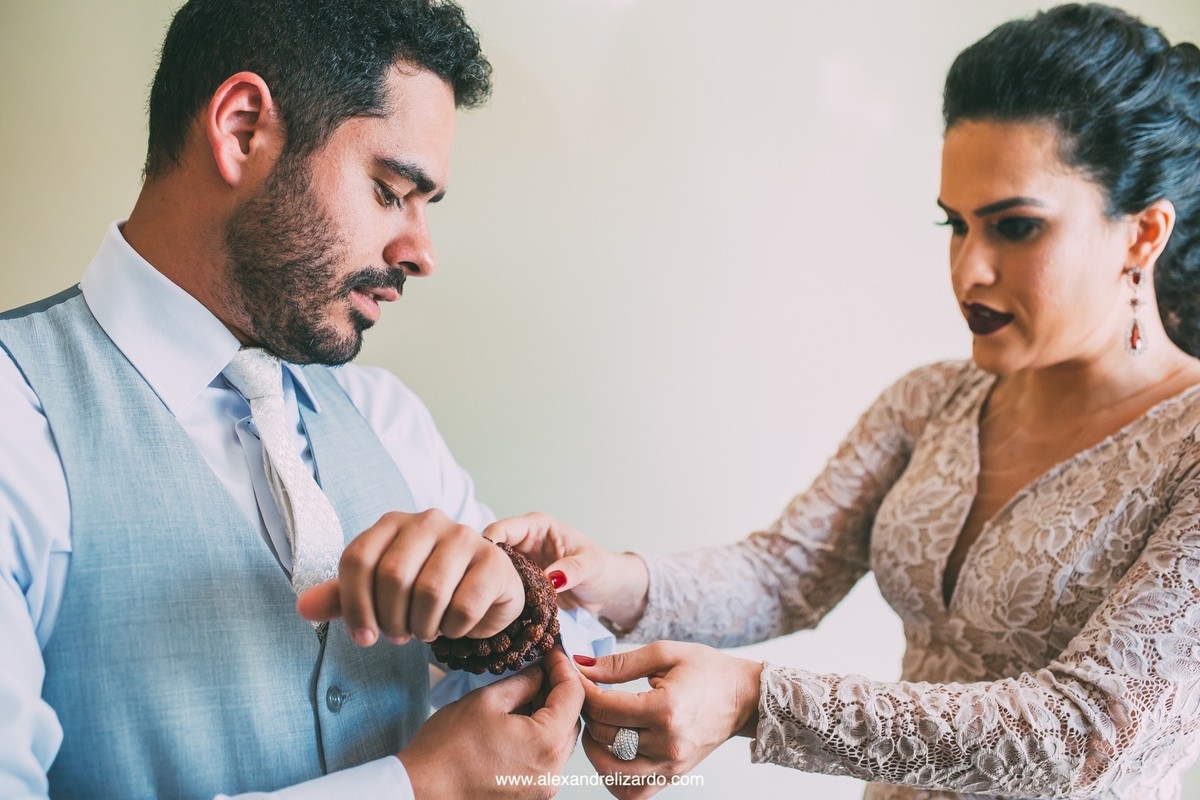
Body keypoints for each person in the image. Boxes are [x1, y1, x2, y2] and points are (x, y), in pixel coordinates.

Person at [486, 4, 1200, 798]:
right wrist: (611, 579)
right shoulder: (933, 401)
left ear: (1142, 235)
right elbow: (786, 572)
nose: (969, 271)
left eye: (1015, 228)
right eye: (956, 226)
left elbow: (1087, 732)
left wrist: (758, 700)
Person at [0, 1, 609, 798]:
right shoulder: (16, 422)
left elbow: (582, 704)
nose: (421, 253)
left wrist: (504, 619)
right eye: (392, 190)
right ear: (243, 129)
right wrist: (414, 788)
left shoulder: (387, 418)